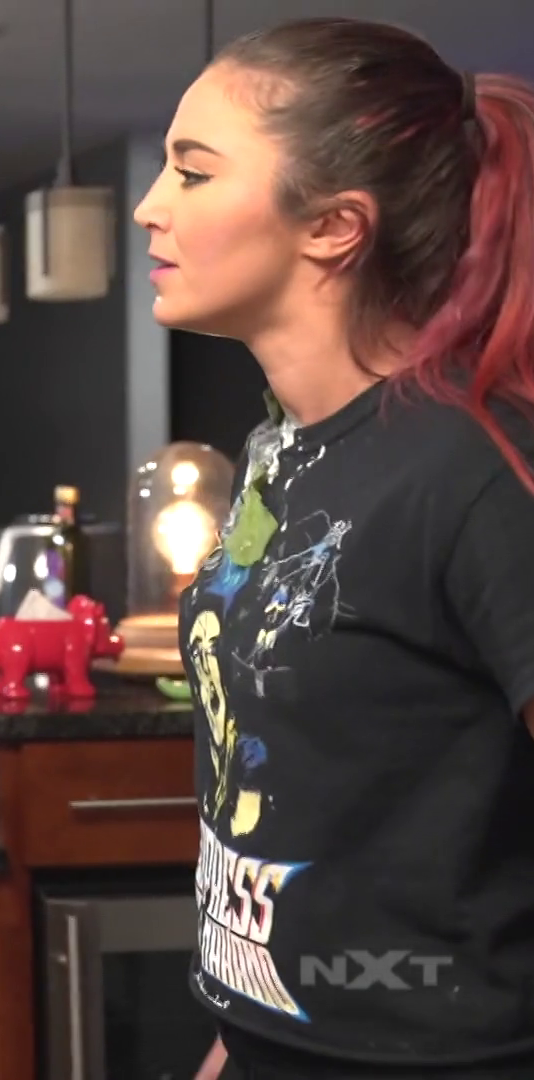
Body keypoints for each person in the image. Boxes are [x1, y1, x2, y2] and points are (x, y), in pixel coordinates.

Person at [133, 16, 534, 1080]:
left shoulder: (476, 470)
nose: (150, 206)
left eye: (193, 172)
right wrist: (234, 1043)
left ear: (333, 226)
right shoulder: (278, 452)